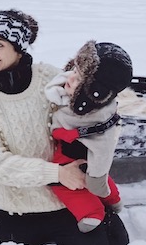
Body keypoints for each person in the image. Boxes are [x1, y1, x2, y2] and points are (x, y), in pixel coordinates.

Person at [0, 10, 129, 245]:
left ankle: (106, 217)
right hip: (19, 209)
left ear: (19, 47)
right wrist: (56, 173)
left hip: (69, 204)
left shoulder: (49, 78)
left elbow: (93, 114)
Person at [44, 41, 133, 233]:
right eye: (75, 68)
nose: (72, 76)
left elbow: (103, 152)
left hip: (71, 151)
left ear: (94, 91)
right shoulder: (77, 93)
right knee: (96, 175)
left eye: (80, 78)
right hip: (71, 144)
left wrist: (97, 180)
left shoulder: (94, 116)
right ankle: (113, 200)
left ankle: (92, 213)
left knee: (68, 184)